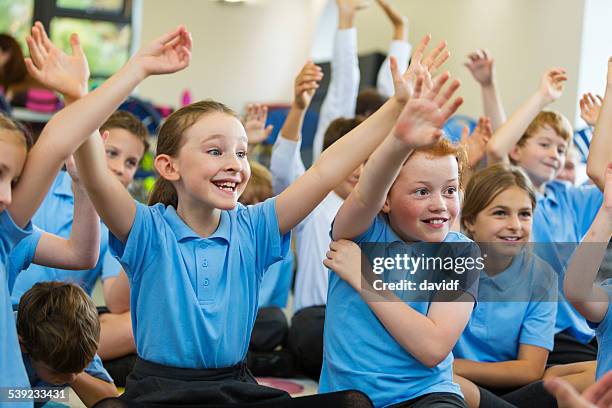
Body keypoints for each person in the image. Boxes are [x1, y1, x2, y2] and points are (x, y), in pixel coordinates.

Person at [321, 71, 474, 407]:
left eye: (450, 190)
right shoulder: (362, 231)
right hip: (351, 397)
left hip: (426, 394)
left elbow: (432, 348)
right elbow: (365, 194)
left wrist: (364, 278)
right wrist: (398, 140)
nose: (440, 205)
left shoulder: (460, 252)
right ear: (386, 201)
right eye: (421, 191)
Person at [454, 163, 558, 408]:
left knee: (590, 374)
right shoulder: (446, 264)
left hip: (503, 384)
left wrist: (454, 368)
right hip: (448, 386)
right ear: (469, 221)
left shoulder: (542, 276)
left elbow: (530, 369)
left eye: (525, 214)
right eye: (500, 213)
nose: (515, 225)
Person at [17, 282, 118, 407]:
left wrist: (73, 370)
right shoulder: (9, 346)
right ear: (23, 346)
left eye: (78, 369)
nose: (70, 379)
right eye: (57, 372)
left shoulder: (76, 343)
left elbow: (110, 401)